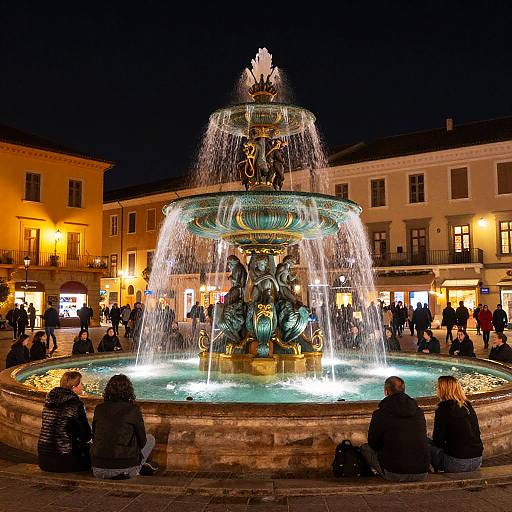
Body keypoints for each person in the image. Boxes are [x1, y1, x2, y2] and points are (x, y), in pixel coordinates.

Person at [360, 376, 429, 482]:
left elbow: (373, 443)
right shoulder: (418, 412)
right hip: (422, 472)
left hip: (395, 473)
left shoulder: (380, 414)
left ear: (386, 391)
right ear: (404, 389)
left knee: (365, 448)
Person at [91, 374, 157, 479]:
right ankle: (138, 467)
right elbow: (143, 441)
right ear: (129, 390)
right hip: (125, 469)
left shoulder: (99, 408)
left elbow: (94, 436)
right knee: (151, 439)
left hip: (98, 469)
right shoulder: (133, 410)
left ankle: (140, 465)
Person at [37, 371, 92, 472]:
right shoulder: (76, 404)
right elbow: (86, 436)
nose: (83, 386)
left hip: (44, 459)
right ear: (74, 387)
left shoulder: (49, 400)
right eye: (81, 383)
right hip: (64, 460)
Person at [429, 376, 483, 473]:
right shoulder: (467, 405)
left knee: (421, 442)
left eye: (437, 387)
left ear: (442, 390)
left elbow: (438, 441)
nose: (436, 389)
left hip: (456, 463)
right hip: (477, 461)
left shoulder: (443, 409)